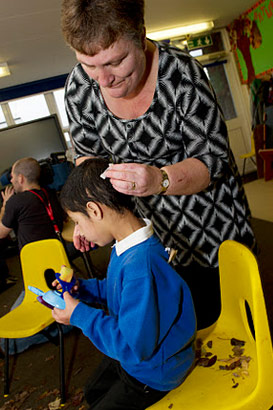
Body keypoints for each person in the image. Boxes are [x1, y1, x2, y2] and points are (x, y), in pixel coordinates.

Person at [61, 0, 256, 329]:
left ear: (141, 34)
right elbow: (89, 163)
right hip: (149, 242)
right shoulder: (80, 89)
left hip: (212, 228)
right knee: (173, 332)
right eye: (89, 65)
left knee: (232, 331)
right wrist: (86, 213)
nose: (103, 79)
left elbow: (214, 160)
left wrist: (161, 180)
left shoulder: (182, 74)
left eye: (116, 61)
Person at [53, 157, 196, 410]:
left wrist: (79, 315)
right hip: (141, 351)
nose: (80, 232)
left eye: (78, 221)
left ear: (95, 210)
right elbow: (118, 289)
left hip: (154, 372)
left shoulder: (141, 265)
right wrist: (83, 290)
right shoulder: (128, 244)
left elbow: (132, 347)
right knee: (92, 390)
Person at [0, 157, 67, 355]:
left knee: (6, 340)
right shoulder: (49, 193)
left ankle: (68, 325)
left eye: (12, 178)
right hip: (60, 266)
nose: (10, 182)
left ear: (21, 178)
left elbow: (1, 233)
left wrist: (6, 205)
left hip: (38, 275)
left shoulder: (17, 201)